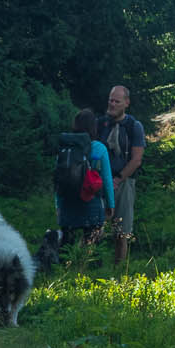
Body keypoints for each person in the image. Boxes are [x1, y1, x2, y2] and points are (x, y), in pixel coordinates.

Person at [95, 84, 146, 266]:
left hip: (124, 183)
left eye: (117, 101)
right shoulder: (100, 124)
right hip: (99, 184)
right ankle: (87, 269)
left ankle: (119, 272)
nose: (112, 104)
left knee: (122, 232)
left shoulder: (134, 126)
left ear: (126, 103)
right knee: (94, 229)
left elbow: (136, 159)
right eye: (110, 100)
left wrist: (117, 179)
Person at [54, 108, 115, 252]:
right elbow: (106, 179)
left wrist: (58, 204)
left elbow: (58, 178)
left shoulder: (65, 148)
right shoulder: (99, 148)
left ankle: (65, 271)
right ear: (93, 126)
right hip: (91, 202)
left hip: (67, 202)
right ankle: (91, 271)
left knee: (67, 245)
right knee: (93, 247)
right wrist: (110, 204)